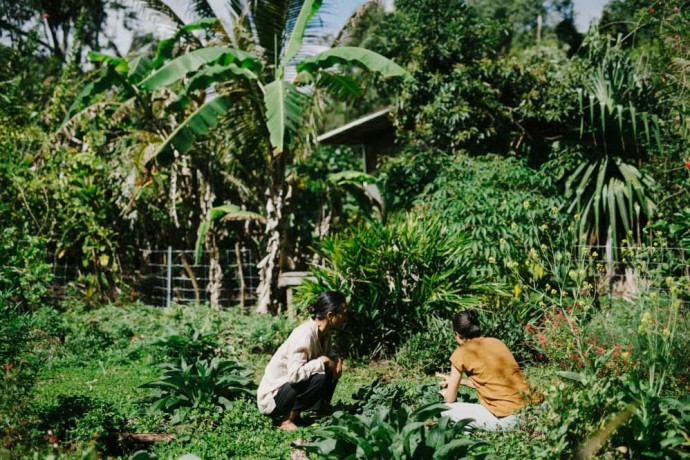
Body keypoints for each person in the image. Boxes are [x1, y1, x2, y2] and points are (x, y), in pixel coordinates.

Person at [257, 291, 347, 431]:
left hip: (287, 391)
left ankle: (317, 412)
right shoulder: (304, 334)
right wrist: (322, 361)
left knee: (329, 367)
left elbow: (323, 353)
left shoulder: (325, 334)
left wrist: (335, 358)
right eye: (343, 312)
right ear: (330, 316)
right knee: (320, 375)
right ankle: (286, 420)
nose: (345, 317)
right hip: (272, 399)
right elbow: (294, 375)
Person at [438, 309, 536, 431]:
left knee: (445, 410)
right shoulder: (497, 342)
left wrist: (445, 392)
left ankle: (467, 437)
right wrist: (458, 381)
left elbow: (450, 399)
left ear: (458, 334)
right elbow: (489, 379)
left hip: (511, 420)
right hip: (535, 410)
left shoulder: (460, 353)